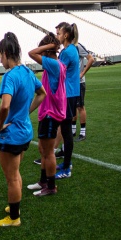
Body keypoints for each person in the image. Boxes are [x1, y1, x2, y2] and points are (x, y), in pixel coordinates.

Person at [0, 32, 41, 227]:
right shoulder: (28, 72)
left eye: (0, 56)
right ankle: (15, 207)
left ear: (5, 53)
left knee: (11, 177)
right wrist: (26, 113)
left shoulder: (10, 76)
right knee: (16, 173)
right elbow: (42, 93)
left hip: (11, 134)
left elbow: (5, 105)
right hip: (25, 132)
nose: (0, 61)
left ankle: (14, 218)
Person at [27, 34, 63, 197]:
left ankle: (51, 186)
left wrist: (48, 47)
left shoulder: (54, 64)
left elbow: (32, 53)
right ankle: (43, 181)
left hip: (51, 113)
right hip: (48, 112)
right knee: (43, 149)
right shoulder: (56, 64)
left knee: (48, 152)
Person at [54, 22, 80, 179]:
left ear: (66, 35)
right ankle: (66, 163)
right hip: (71, 92)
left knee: (66, 130)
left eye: (59, 33)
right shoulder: (72, 50)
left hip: (68, 93)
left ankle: (67, 167)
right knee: (65, 129)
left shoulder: (67, 52)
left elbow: (58, 71)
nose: (57, 35)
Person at [75, 41, 95, 141]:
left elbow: (91, 59)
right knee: (73, 106)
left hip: (79, 82)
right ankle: (73, 130)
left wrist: (82, 73)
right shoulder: (68, 48)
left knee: (80, 106)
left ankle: (82, 132)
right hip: (71, 83)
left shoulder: (78, 46)